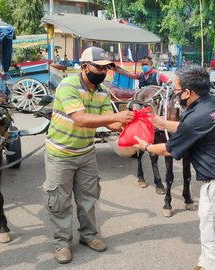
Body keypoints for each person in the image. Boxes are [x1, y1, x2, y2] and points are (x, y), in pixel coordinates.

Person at [133, 65, 215, 270]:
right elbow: (193, 128)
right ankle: (204, 264)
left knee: (214, 239)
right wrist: (163, 123)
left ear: (187, 92)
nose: (175, 96)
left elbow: (169, 149)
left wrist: (145, 146)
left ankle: (212, 266)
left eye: (176, 91)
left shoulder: (197, 117)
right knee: (207, 224)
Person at [43, 47, 134, 264]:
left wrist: (127, 125)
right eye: (99, 67)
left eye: (107, 68)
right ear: (85, 67)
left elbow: (107, 121)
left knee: (88, 198)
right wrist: (117, 116)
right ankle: (62, 243)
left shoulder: (102, 91)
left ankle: (89, 236)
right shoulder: (68, 85)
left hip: (86, 153)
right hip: (60, 154)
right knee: (59, 201)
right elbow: (81, 119)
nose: (103, 72)